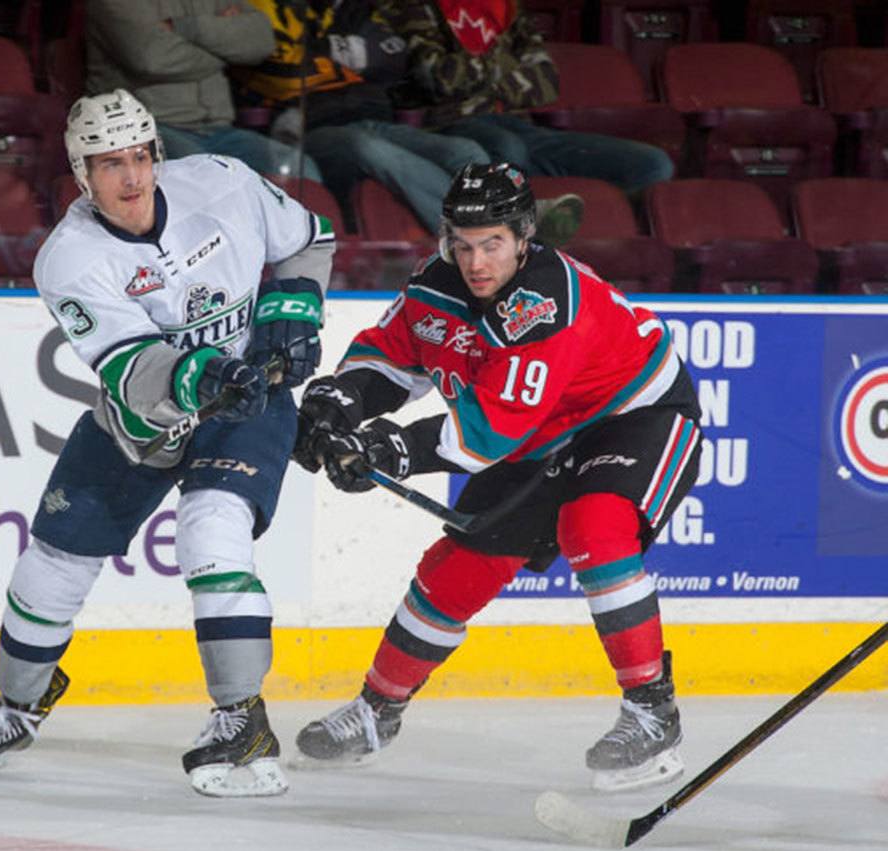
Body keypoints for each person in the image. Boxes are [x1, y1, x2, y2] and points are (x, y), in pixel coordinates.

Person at [0, 89, 335, 798]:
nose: (130, 177)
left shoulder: (224, 182)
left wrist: (292, 313)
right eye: (108, 162)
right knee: (54, 558)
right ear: (80, 172)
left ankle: (241, 719)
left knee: (211, 530)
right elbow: (132, 372)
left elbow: (309, 239)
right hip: (143, 418)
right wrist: (207, 372)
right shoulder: (69, 259)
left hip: (248, 403)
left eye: (139, 157)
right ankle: (18, 706)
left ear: (158, 153)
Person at [291, 162, 700, 793]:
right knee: (458, 566)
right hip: (539, 432)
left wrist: (389, 449)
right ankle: (377, 712)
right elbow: (393, 357)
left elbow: (484, 435)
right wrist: (340, 402)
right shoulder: (436, 283)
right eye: (464, 243)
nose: (476, 261)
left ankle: (652, 713)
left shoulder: (546, 303)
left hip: (634, 413)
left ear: (523, 237)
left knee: (594, 527)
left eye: (493, 244)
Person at [236, 0, 581, 243]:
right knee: (371, 149)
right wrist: (349, 55)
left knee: (463, 148)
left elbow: (393, 60)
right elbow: (276, 68)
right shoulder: (267, 9)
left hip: (374, 116)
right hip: (311, 127)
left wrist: (325, 56)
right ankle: (480, 236)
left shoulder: (348, 9)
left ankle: (513, 216)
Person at [377, 0, 674, 198]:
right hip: (447, 128)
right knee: (507, 148)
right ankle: (527, 237)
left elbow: (545, 82)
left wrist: (476, 75)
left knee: (652, 163)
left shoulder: (506, 8)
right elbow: (440, 79)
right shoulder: (410, 7)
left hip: (521, 127)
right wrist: (508, 66)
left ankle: (581, 260)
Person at [85, 0, 323, 182]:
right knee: (208, 179)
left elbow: (262, 39)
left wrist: (184, 29)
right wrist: (226, 49)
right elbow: (152, 59)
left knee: (302, 171)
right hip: (147, 129)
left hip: (219, 129)